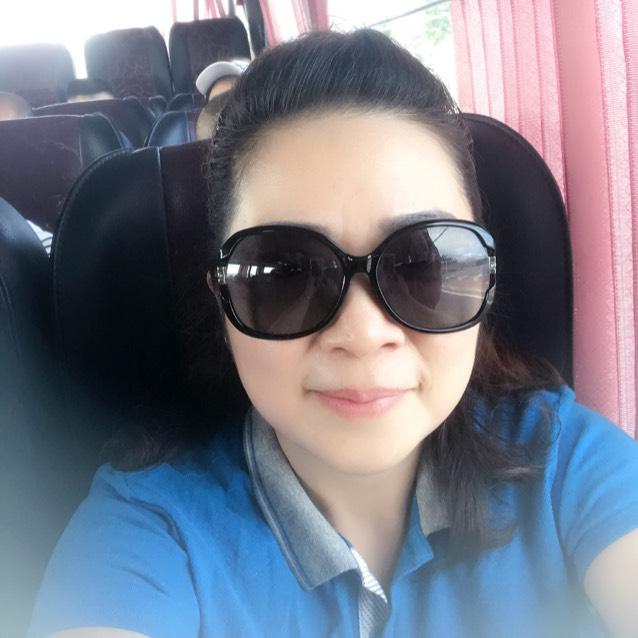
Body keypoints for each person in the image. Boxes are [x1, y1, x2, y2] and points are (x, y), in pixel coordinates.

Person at [28, 30, 638, 638]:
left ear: (483, 279)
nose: (363, 333)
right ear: (223, 301)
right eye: (285, 274)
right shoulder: (148, 535)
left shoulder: (563, 462)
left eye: (423, 264)